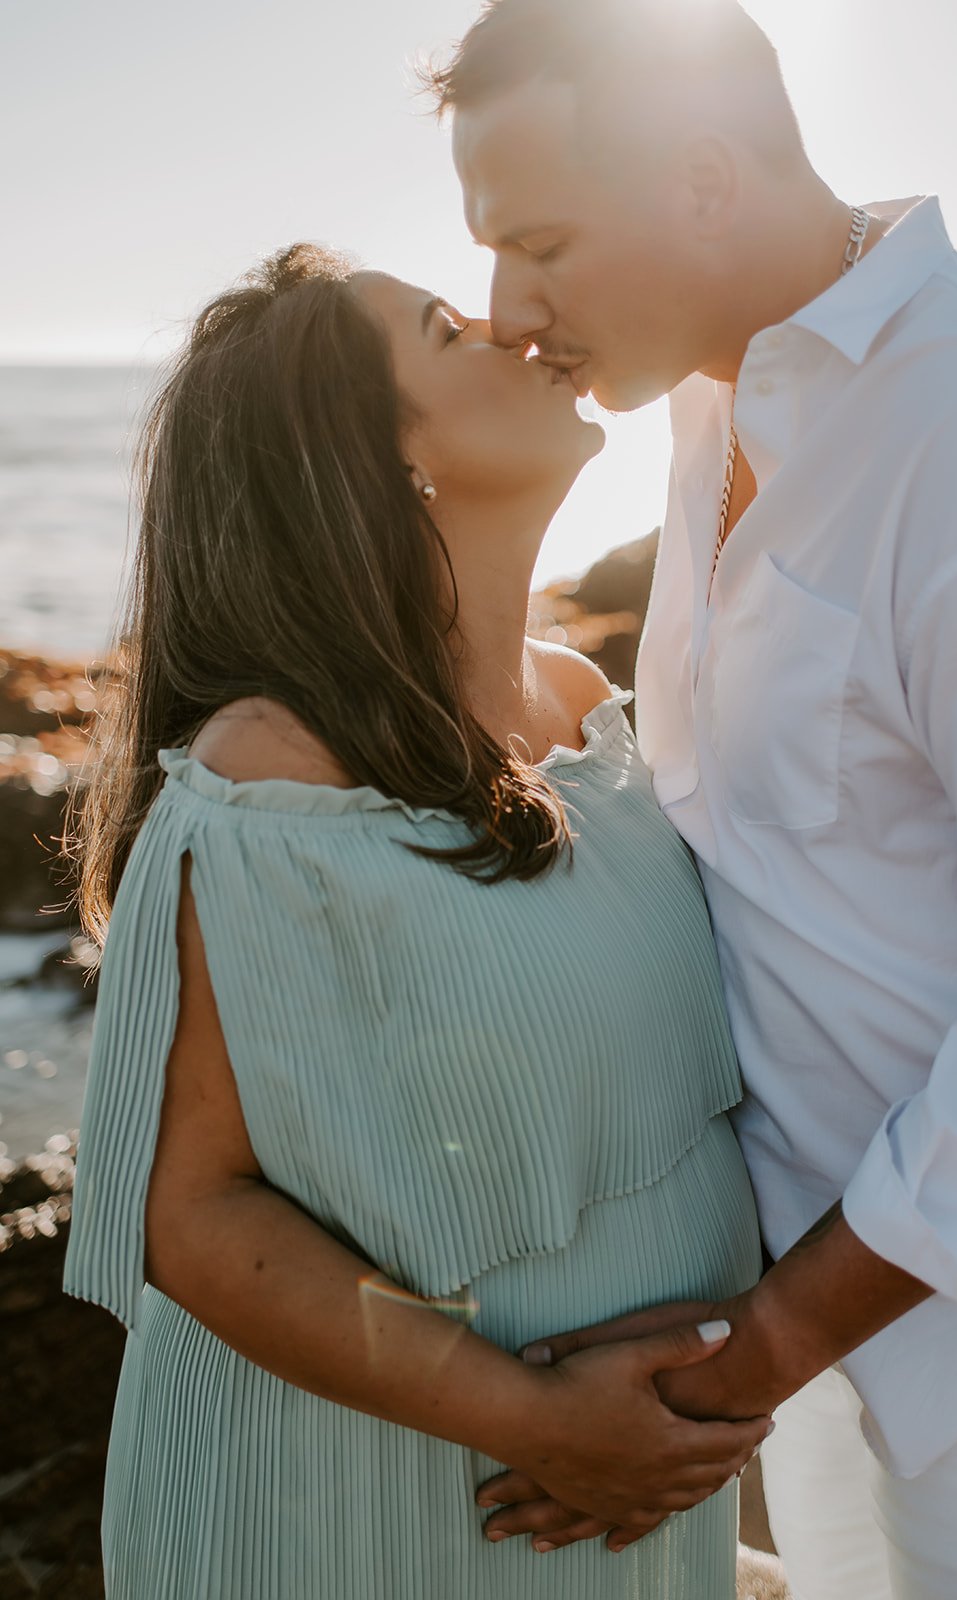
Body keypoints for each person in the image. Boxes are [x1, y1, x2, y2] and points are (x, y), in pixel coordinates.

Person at [430, 1, 957, 1596]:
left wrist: (764, 1344)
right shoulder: (715, 394)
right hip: (814, 1330)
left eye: (545, 244)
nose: (508, 311)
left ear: (705, 178)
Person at [59, 241, 771, 1599]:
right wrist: (536, 1418)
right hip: (376, 1506)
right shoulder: (272, 778)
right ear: (378, 464)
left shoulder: (591, 712)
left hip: (626, 1499)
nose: (514, 325)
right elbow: (193, 1214)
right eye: (450, 330)